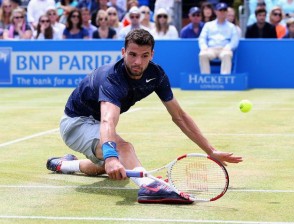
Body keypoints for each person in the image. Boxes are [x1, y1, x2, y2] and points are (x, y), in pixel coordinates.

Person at [46, 28, 243, 204]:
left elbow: (179, 116)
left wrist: (210, 149)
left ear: (152, 55)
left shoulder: (156, 75)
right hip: (76, 123)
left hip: (96, 124)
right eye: (132, 55)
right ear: (123, 52)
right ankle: (149, 187)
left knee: (108, 166)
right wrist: (111, 155)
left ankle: (63, 164)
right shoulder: (111, 78)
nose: (137, 62)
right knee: (122, 149)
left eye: (144, 56)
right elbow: (108, 119)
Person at [198, 3, 239, 75]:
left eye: (224, 11)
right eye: (220, 10)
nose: (222, 13)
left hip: (225, 49)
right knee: (203, 54)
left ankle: (225, 79)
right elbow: (202, 38)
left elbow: (235, 40)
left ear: (227, 12)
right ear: (216, 12)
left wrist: (229, 47)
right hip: (211, 49)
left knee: (227, 55)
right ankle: (205, 79)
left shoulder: (232, 27)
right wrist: (204, 47)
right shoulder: (208, 25)